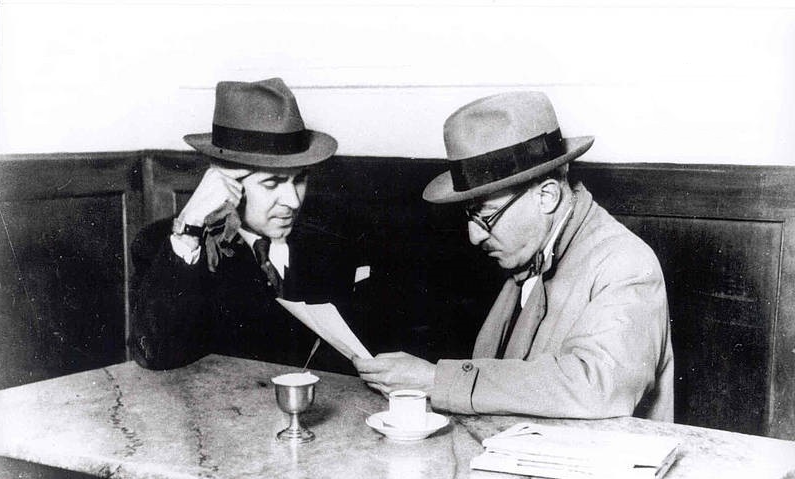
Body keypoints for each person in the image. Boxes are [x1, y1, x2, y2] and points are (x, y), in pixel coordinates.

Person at [353, 91, 674, 421]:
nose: (474, 235)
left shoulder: (626, 263)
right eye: (469, 215)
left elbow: (597, 387)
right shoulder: (530, 251)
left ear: (546, 195)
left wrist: (437, 380)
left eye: (486, 215)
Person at [130, 78, 357, 372]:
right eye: (272, 183)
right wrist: (188, 231)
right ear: (224, 183)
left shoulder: (332, 244)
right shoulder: (163, 246)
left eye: (299, 179)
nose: (292, 200)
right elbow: (154, 355)